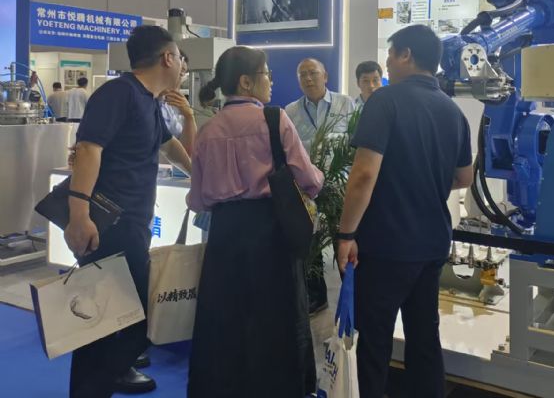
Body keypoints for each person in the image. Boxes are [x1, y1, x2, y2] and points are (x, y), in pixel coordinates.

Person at [336, 25, 473, 398]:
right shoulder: (453, 111)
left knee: (374, 341)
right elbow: (463, 177)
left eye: (390, 54)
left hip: (386, 245)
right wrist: (424, 182)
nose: (386, 63)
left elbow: (363, 175)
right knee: (424, 338)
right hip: (432, 245)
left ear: (406, 55)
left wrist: (346, 234)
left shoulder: (385, 101)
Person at [187, 47, 323, 397]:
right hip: (271, 230)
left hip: (224, 235)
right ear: (246, 82)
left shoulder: (208, 129)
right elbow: (309, 181)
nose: (271, 82)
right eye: (266, 74)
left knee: (225, 319)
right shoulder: (275, 119)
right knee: (278, 318)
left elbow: (197, 200)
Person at [65, 25, 192, 397]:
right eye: (180, 58)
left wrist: (199, 176)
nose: (183, 66)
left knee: (118, 319)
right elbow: (88, 149)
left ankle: (108, 378)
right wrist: (78, 214)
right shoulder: (119, 93)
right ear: (167, 57)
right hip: (110, 226)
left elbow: (168, 146)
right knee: (120, 318)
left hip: (133, 226)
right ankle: (97, 385)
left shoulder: (149, 100)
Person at [285, 57, 355, 314]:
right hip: (306, 187)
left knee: (342, 239)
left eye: (313, 73)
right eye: (302, 74)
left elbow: (355, 144)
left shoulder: (345, 104)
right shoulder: (291, 111)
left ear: (325, 76)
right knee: (310, 241)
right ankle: (316, 295)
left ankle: (351, 294)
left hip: (339, 185)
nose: (308, 78)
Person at [159, 49, 197, 156]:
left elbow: (189, 151)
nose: (178, 75)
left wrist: (189, 116)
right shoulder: (145, 100)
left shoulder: (171, 105)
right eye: (176, 69)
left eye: (182, 71)